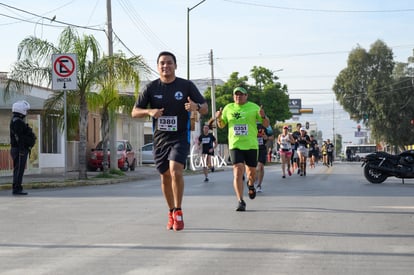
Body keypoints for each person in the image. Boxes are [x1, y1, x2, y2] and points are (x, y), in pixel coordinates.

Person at [131, 51, 208, 231]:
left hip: (180, 136)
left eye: (169, 63)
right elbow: (134, 112)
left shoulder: (186, 85)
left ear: (175, 65)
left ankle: (179, 212)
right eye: (162, 63)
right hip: (160, 139)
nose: (166, 66)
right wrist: (150, 112)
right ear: (158, 67)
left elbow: (204, 108)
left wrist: (196, 107)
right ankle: (171, 211)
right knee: (165, 175)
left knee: (175, 171)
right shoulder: (151, 88)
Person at [215, 86, 269, 211]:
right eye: (236, 94)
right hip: (235, 144)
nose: (238, 96)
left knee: (251, 173)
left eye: (241, 94)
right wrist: (218, 118)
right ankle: (240, 200)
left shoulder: (254, 107)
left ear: (246, 96)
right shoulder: (228, 108)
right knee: (238, 171)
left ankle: (250, 185)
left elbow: (266, 124)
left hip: (251, 145)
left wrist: (264, 116)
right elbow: (222, 125)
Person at [10, 100, 36, 196]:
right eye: (25, 110)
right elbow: (19, 137)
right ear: (21, 110)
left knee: (18, 169)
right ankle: (17, 189)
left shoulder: (16, 120)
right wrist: (21, 150)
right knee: (19, 170)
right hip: (19, 150)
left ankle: (17, 188)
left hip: (18, 149)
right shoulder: (17, 122)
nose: (26, 112)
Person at [255, 123, 273, 192]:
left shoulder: (266, 125)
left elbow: (272, 137)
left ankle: (259, 185)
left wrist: (267, 137)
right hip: (253, 148)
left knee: (260, 167)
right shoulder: (251, 123)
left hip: (262, 148)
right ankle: (255, 178)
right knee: (256, 168)